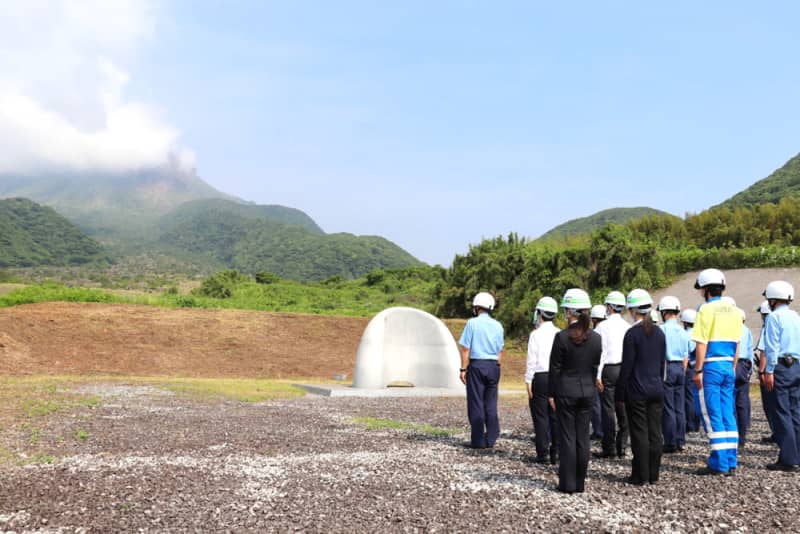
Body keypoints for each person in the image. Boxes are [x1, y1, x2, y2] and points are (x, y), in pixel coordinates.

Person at [548, 288, 602, 494]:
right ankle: (580, 483)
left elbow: (555, 368)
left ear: (570, 311)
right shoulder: (596, 338)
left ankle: (567, 483)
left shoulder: (561, 337)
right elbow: (594, 366)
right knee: (583, 438)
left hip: (565, 392)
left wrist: (552, 393)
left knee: (568, 438)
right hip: (587, 391)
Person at [691, 268, 741, 476]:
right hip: (729, 365)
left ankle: (718, 463)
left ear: (705, 289)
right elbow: (737, 344)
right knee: (728, 413)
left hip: (711, 366)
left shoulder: (705, 310)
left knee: (712, 415)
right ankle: (731, 461)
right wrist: (732, 367)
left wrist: (698, 369)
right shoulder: (734, 310)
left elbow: (701, 343)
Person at [616, 289, 666, 485]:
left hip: (637, 390)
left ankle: (640, 475)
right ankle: (654, 474)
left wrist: (620, 394)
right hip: (656, 388)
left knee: (639, 433)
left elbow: (627, 367)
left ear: (633, 310)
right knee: (655, 432)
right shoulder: (660, 333)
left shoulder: (632, 334)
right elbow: (662, 364)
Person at [760, 280, 800, 471]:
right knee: (795, 412)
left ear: (773, 299)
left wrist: (769, 371)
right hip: (797, 366)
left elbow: (772, 346)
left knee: (781, 412)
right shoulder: (796, 316)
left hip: (781, 367)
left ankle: (788, 459)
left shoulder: (773, 318)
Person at [459, 292, 505, 449]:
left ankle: (478, 440)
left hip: (477, 365)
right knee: (491, 403)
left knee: (476, 402)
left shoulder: (472, 323)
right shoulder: (498, 325)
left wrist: (463, 369)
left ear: (477, 307)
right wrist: (496, 366)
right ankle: (492, 436)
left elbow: (466, 348)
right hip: (494, 366)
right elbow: (500, 350)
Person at [593, 290, 630, 459]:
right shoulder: (627, 326)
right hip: (624, 369)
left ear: (609, 307)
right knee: (623, 407)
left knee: (607, 410)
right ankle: (622, 445)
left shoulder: (602, 326)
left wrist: (598, 375)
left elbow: (600, 352)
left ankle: (609, 448)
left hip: (608, 369)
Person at [525, 296, 561, 464]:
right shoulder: (560, 333)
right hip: (556, 377)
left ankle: (542, 454)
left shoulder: (535, 334)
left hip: (539, 377)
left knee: (540, 416)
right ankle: (556, 452)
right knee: (555, 415)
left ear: (539, 313)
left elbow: (532, 360)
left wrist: (528, 381)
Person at [658, 296, 691, 453]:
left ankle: (670, 442)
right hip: (680, 368)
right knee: (680, 406)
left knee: (668, 407)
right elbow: (686, 355)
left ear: (664, 312)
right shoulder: (683, 332)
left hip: (667, 367)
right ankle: (680, 440)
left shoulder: (662, 329)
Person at [755, 300, 778, 443]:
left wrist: (762, 372)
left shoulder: (768, 326)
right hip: (785, 368)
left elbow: (764, 351)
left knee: (770, 404)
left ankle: (776, 432)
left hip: (770, 369)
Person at [734, 307, 754, 449]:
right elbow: (751, 350)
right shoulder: (747, 330)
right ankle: (742, 436)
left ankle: (733, 435)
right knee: (743, 401)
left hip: (733, 363)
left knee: (729, 401)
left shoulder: (731, 329)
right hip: (745, 364)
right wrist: (750, 369)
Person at [680, 308, 700, 433]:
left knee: (688, 397)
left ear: (686, 322)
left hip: (689, 368)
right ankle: (696, 424)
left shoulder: (685, 334)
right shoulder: (699, 333)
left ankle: (690, 425)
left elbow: (685, 354)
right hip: (699, 367)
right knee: (696, 396)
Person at [589, 304, 606, 441]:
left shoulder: (596, 332)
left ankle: (598, 430)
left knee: (595, 403)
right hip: (613, 369)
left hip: (598, 369)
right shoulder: (612, 327)